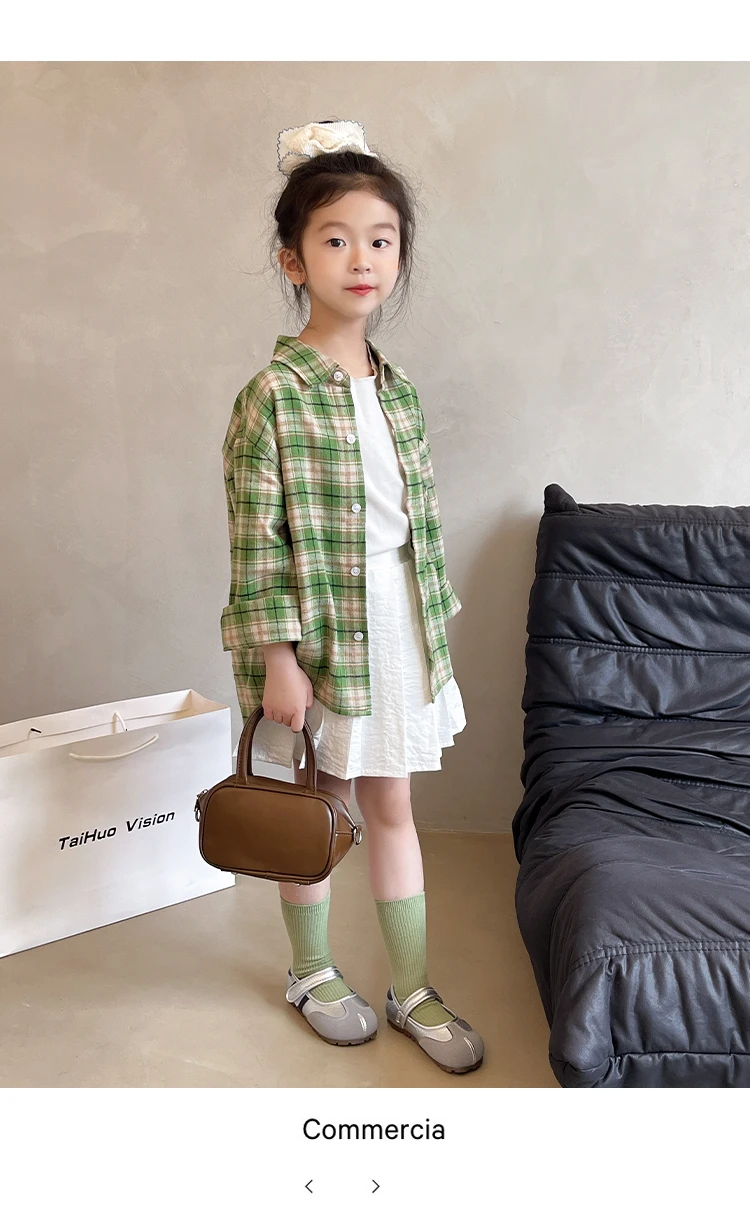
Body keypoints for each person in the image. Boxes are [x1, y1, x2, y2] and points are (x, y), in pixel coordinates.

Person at [220, 119, 483, 1074]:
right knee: (317, 806)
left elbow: (415, 527)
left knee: (393, 805)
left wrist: (433, 630)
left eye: (381, 239)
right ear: (294, 260)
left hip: (399, 629)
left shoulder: (398, 391)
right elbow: (257, 541)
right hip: (321, 634)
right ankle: (311, 972)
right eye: (336, 240)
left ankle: (410, 987)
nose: (362, 259)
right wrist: (278, 658)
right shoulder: (273, 395)